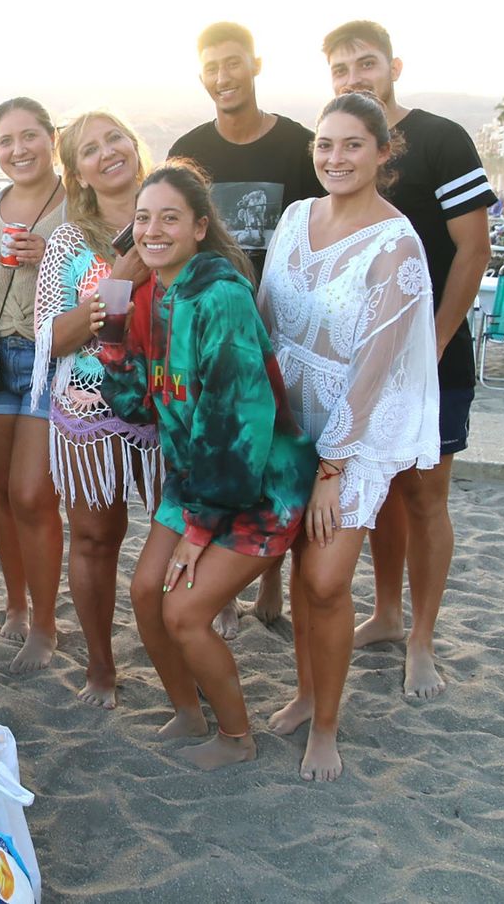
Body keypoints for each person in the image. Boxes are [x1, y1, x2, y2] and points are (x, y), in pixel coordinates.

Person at [99, 162, 314, 769]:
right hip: (198, 478)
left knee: (186, 613)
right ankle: (189, 712)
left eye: (170, 217)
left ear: (199, 227)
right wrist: (115, 306)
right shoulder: (158, 295)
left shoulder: (220, 296)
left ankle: (236, 738)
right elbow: (134, 403)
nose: (152, 230)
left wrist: (199, 530)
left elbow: (236, 423)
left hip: (260, 486)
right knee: (145, 591)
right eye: (143, 218)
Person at [259, 92, 441, 781]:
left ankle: (329, 726)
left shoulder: (398, 246)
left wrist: (331, 465)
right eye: (325, 145)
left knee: (327, 577)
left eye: (353, 145)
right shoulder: (296, 217)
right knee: (303, 572)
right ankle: (307, 693)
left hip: (352, 433)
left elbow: (374, 366)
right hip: (289, 418)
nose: (335, 158)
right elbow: (267, 319)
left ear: (383, 153)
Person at [324, 20, 493, 703]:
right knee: (381, 492)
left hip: (431, 356)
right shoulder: (339, 143)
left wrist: (437, 339)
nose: (355, 76)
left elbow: (473, 249)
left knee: (425, 497)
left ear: (393, 65)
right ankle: (386, 614)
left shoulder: (442, 137)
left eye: (366, 63)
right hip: (362, 361)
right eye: (341, 68)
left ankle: (420, 638)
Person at [168, 21, 321, 635]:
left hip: (283, 324)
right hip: (211, 327)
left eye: (233, 63)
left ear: (255, 64)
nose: (223, 77)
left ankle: (272, 583)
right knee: (214, 444)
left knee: (269, 447)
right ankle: (223, 591)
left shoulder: (299, 146)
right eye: (212, 68)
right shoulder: (189, 146)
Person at [31, 111, 161, 708]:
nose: (107, 152)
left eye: (115, 138)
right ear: (76, 172)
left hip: (173, 402)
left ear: (136, 147)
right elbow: (50, 338)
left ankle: (184, 655)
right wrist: (114, 288)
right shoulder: (66, 241)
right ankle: (102, 668)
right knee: (95, 536)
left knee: (183, 534)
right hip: (90, 401)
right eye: (90, 149)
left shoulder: (174, 214)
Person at [0, 98, 66, 674]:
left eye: (30, 136)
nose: (19, 149)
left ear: (52, 139)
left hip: (52, 359)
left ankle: (47, 624)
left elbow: (100, 275)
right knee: (2, 492)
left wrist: (50, 255)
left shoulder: (76, 205)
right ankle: (15, 603)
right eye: (6, 140)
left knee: (33, 495)